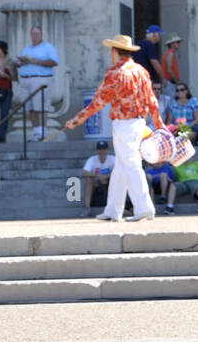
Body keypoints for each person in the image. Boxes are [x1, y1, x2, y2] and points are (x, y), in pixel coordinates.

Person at [63, 34, 162, 222]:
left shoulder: (115, 73)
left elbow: (98, 102)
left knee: (130, 164)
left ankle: (144, 208)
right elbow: (151, 101)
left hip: (124, 124)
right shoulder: (141, 71)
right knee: (121, 166)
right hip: (139, 122)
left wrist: (76, 120)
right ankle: (112, 210)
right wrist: (159, 125)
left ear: (114, 51)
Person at [16, 25, 59, 142]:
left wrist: (38, 61)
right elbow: (19, 61)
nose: (35, 36)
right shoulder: (26, 48)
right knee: (31, 108)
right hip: (26, 79)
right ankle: (36, 133)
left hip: (40, 79)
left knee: (40, 107)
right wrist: (20, 62)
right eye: (33, 34)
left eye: (37, 34)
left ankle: (42, 133)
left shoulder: (48, 47)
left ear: (41, 35)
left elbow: (54, 62)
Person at [80, 141, 116, 217]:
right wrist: (98, 176)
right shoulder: (92, 159)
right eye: (100, 149)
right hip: (96, 183)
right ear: (97, 151)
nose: (102, 151)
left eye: (104, 149)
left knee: (117, 179)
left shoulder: (113, 159)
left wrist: (106, 176)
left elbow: (119, 171)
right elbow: (83, 173)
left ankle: (116, 206)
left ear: (107, 150)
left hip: (110, 182)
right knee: (89, 179)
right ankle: (87, 208)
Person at [161, 33, 184, 98]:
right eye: (177, 42)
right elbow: (169, 70)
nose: (179, 44)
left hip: (170, 83)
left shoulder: (169, 53)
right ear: (172, 43)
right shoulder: (170, 53)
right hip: (170, 83)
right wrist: (177, 82)